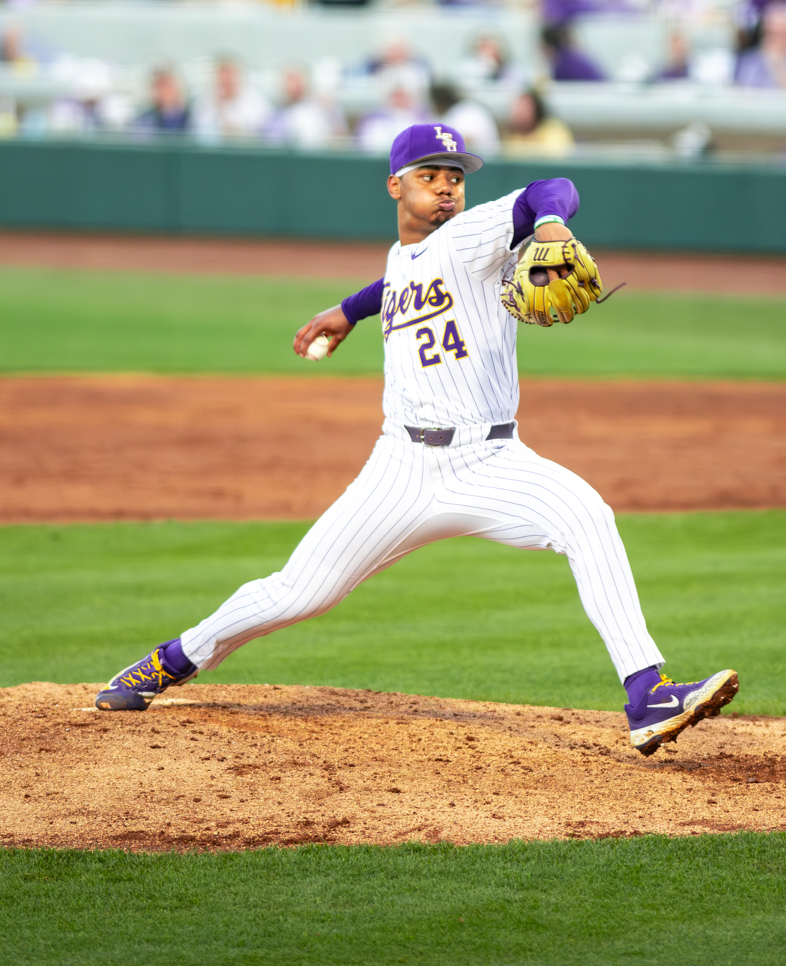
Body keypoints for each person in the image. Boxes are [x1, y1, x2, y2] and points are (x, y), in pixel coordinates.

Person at [92, 126, 739, 754]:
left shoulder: (472, 236)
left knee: (586, 515)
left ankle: (646, 693)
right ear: (395, 186)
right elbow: (396, 280)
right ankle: (168, 661)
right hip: (398, 468)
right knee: (298, 591)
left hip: (490, 460)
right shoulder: (404, 254)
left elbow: (553, 184)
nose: (446, 188)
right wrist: (347, 310)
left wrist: (548, 226)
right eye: (429, 177)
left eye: (454, 176)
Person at [503, 89, 574, 155]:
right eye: (517, 108)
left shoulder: (553, 129)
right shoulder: (513, 138)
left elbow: (553, 159)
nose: (518, 113)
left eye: (524, 108)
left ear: (536, 110)